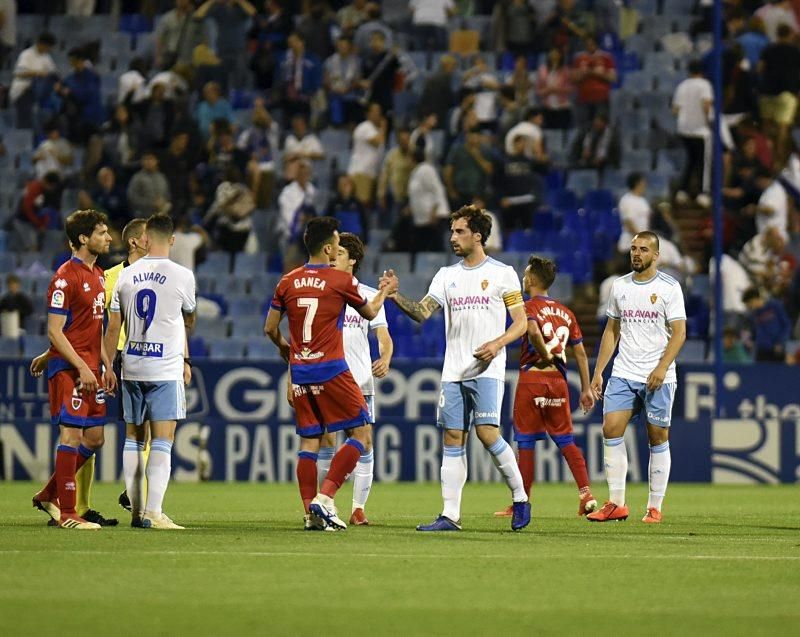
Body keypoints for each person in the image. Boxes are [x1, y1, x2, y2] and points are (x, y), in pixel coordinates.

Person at [380, 205, 531, 532]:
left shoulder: (503, 273)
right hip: (453, 371)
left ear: (478, 235)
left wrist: (497, 344)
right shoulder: (446, 275)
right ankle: (450, 515)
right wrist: (393, 296)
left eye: (460, 231)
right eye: (452, 231)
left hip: (487, 368)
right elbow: (421, 312)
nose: (453, 237)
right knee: (452, 437)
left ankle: (520, 497)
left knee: (488, 433)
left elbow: (522, 324)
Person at [264, 216, 398, 530]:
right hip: (332, 370)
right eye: (337, 244)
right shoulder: (341, 281)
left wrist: (287, 350)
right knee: (362, 436)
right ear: (327, 248)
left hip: (300, 371)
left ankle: (310, 516)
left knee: (309, 444)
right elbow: (370, 311)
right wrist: (385, 291)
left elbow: (269, 328)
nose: (338, 248)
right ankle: (325, 499)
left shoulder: (287, 280)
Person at [105, 213, 196, 529]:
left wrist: (106, 365)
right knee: (163, 438)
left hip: (131, 364)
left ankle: (135, 510)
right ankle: (154, 512)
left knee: (133, 436)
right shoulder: (182, 276)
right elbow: (188, 319)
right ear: (171, 240)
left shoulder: (125, 276)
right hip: (164, 366)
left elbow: (113, 325)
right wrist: (185, 358)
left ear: (146, 239)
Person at [588, 231, 687, 524]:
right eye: (633, 249)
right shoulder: (619, 286)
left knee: (657, 437)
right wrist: (598, 371)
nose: (636, 254)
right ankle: (616, 503)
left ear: (656, 255)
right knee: (610, 428)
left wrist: (661, 367)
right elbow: (611, 330)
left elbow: (679, 333)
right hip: (624, 371)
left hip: (659, 374)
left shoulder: (669, 287)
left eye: (643, 249)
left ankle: (654, 506)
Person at [30, 209, 117, 530]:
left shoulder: (97, 275)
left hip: (91, 368)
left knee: (94, 439)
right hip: (70, 369)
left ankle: (47, 494)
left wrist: (106, 365)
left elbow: (90, 327)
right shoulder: (64, 277)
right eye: (102, 232)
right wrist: (80, 366)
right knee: (71, 434)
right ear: (84, 238)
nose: (108, 238)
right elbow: (55, 330)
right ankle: (68, 513)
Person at [494, 256, 597, 518]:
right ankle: (586, 493)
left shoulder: (527, 308)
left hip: (533, 378)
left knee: (526, 443)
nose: (523, 277)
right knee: (566, 440)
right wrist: (586, 389)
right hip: (559, 382)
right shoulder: (567, 313)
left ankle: (521, 501)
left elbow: (533, 333)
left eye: (526, 274)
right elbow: (582, 355)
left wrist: (544, 353)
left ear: (531, 279)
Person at [318, 233, 394, 526]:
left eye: (338, 254)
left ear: (352, 260)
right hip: (326, 376)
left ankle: (358, 509)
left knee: (364, 442)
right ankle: (326, 504)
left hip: (359, 379)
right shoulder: (320, 289)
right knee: (326, 440)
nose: (332, 257)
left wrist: (385, 358)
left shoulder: (368, 294)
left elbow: (384, 336)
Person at [101, 218, 149, 515]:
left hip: (149, 355)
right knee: (91, 431)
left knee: (152, 429)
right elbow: (97, 321)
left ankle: (134, 491)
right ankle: (69, 500)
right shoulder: (110, 277)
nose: (152, 240)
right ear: (133, 242)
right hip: (119, 355)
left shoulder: (159, 275)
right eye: (147, 236)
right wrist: (103, 361)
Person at [673, 59, 713, 207]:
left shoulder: (682, 86)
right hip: (700, 130)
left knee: (690, 161)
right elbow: (706, 105)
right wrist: (709, 123)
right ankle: (703, 193)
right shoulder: (705, 85)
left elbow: (675, 110)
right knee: (704, 162)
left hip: (684, 130)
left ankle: (682, 191)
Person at [347, 102, 387, 207]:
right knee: (361, 204)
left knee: (368, 206)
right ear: (368, 114)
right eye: (375, 111)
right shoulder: (365, 127)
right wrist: (383, 127)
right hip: (361, 172)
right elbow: (377, 142)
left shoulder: (375, 130)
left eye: (379, 111)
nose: (378, 114)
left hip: (371, 173)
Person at [741, 286, 791, 362]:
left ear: (755, 299)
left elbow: (786, 325)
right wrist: (750, 341)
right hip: (761, 351)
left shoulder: (774, 305)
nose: (749, 307)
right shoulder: (753, 315)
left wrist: (780, 342)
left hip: (777, 349)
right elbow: (754, 332)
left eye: (749, 303)